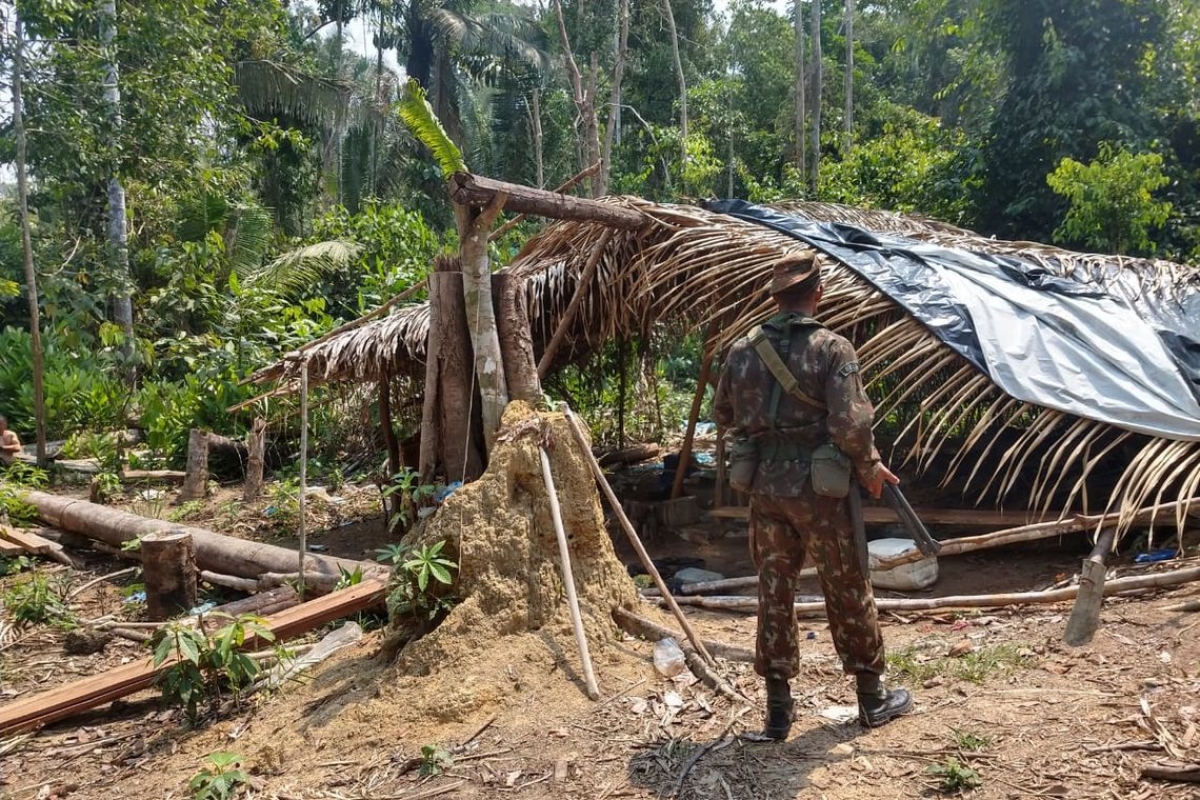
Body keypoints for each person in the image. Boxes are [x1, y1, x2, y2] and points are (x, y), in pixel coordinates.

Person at [713, 250, 912, 740]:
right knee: (845, 584)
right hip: (820, 490)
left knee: (774, 589)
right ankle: (871, 698)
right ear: (817, 294)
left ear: (778, 299)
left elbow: (723, 413)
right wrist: (868, 466)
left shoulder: (742, 351)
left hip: (765, 488)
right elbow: (851, 423)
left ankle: (778, 713)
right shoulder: (832, 349)